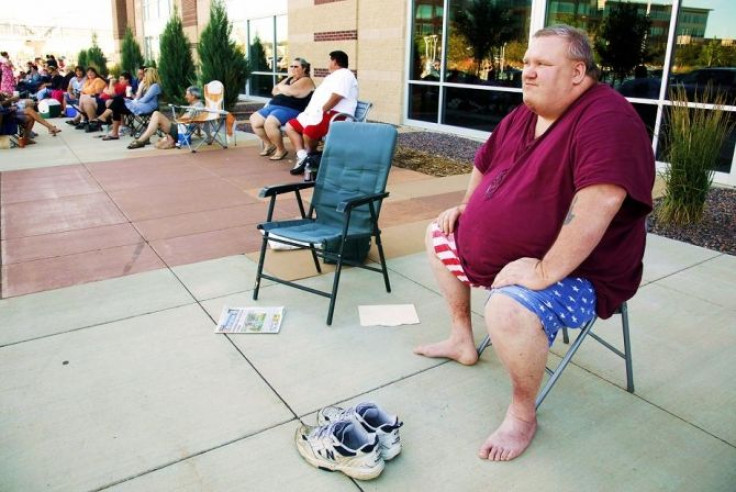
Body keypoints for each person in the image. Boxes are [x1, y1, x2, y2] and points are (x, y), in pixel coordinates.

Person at [413, 25, 654, 462]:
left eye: (542, 64)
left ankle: (523, 415)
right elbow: (484, 162)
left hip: (582, 272)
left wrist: (544, 271)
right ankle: (461, 338)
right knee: (439, 233)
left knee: (508, 307)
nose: (527, 72)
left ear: (578, 72)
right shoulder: (526, 111)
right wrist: (466, 207)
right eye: (526, 63)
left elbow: (601, 198)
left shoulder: (606, 118)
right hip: (507, 257)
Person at [284, 50, 357, 174]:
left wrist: (324, 109)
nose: (328, 63)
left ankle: (311, 158)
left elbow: (337, 96)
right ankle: (303, 157)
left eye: (330, 60)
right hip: (319, 113)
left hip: (335, 114)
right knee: (290, 126)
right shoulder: (333, 76)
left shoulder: (345, 74)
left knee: (309, 132)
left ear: (334, 61)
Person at [251, 57, 315, 161]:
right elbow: (274, 90)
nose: (293, 68)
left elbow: (290, 91)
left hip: (290, 109)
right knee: (254, 119)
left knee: (270, 123)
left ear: (304, 69)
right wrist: (284, 89)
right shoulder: (290, 78)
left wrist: (283, 88)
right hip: (273, 106)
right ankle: (269, 144)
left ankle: (281, 150)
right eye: (292, 66)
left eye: (296, 66)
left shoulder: (306, 80)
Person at [126, 85, 203, 149]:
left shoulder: (198, 106)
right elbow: (195, 122)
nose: (186, 96)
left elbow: (189, 120)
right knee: (154, 118)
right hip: (179, 129)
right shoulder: (194, 105)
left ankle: (141, 141)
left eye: (187, 94)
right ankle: (144, 139)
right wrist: (198, 133)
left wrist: (178, 119)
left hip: (180, 131)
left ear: (193, 96)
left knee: (156, 114)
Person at [95, 67, 161, 140]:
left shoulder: (155, 86)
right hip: (140, 105)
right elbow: (137, 97)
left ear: (150, 76)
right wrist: (141, 86)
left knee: (118, 99)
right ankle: (114, 133)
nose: (143, 77)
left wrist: (133, 102)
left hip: (147, 107)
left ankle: (104, 117)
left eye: (145, 75)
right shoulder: (145, 85)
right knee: (116, 106)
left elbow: (145, 100)